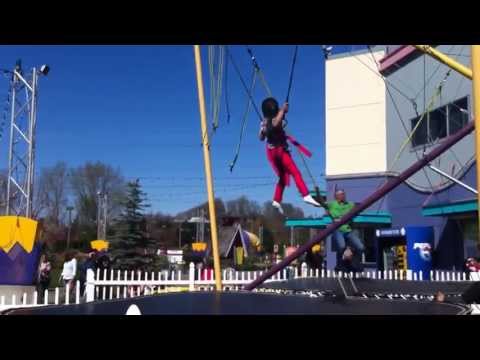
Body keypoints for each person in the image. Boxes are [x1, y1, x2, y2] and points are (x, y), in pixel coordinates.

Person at [259, 97, 321, 214]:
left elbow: (261, 138)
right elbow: (276, 122)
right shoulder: (272, 121)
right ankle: (305, 194)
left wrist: (263, 130)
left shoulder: (264, 122)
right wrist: (283, 110)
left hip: (272, 152)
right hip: (279, 151)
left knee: (282, 177)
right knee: (295, 172)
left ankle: (276, 200)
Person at [326, 189, 364, 272]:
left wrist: (358, 210)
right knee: (342, 246)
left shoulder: (349, 204)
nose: (342, 196)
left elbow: (359, 206)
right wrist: (327, 212)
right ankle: (339, 265)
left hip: (348, 230)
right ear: (336, 197)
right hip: (338, 230)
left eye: (343, 194)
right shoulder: (332, 204)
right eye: (340, 195)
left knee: (360, 247)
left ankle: (355, 263)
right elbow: (322, 205)